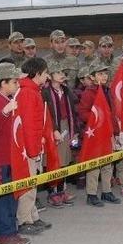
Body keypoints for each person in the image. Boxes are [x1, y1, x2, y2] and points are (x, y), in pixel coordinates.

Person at [0, 63, 31, 244]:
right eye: (13, 81)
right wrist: (5, 112)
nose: (17, 84)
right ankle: (3, 235)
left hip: (10, 156)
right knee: (2, 198)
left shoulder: (7, 99)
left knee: (11, 196)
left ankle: (11, 231)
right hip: (0, 158)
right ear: (3, 83)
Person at [15, 57, 52, 232]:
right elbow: (29, 124)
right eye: (45, 73)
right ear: (37, 74)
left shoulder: (32, 90)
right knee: (28, 185)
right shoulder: (28, 93)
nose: (47, 77)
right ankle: (24, 221)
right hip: (29, 148)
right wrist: (33, 151)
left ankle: (32, 216)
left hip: (34, 146)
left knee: (33, 184)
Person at [77, 63, 121, 207]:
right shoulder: (89, 93)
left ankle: (106, 191)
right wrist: (98, 118)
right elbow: (83, 112)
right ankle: (91, 194)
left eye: (105, 74)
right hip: (95, 134)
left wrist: (115, 131)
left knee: (107, 164)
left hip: (107, 133)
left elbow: (112, 113)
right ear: (92, 77)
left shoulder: (107, 91)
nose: (104, 76)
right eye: (100, 74)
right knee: (94, 165)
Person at [41, 61, 78, 207]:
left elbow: (73, 112)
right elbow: (46, 114)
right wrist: (53, 129)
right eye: (58, 73)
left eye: (63, 72)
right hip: (52, 127)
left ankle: (62, 190)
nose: (62, 75)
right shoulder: (45, 92)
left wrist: (74, 131)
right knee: (53, 160)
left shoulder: (66, 90)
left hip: (66, 126)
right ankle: (52, 192)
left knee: (64, 160)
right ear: (50, 76)